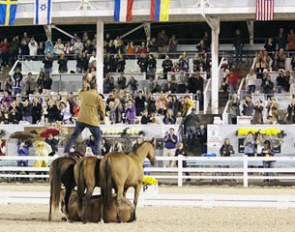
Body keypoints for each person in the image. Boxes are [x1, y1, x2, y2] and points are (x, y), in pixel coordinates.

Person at [64, 77, 105, 156]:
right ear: (96, 87)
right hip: (92, 120)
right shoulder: (98, 97)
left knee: (74, 136)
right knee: (98, 138)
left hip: (81, 118)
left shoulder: (85, 93)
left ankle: (66, 151)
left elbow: (79, 93)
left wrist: (84, 86)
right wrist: (103, 119)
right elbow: (102, 110)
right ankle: (98, 155)